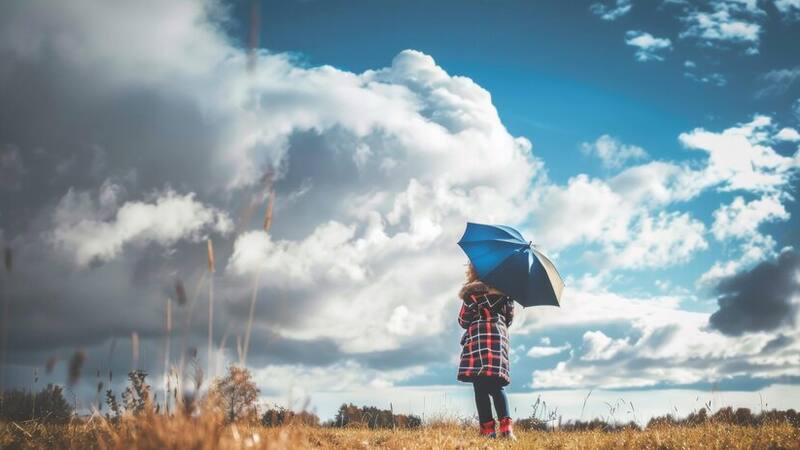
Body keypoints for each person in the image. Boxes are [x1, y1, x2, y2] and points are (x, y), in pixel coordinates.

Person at [457, 263, 516, 440]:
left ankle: (488, 430)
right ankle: (506, 429)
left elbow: (463, 320)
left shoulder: (471, 294)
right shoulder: (507, 295)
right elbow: (509, 319)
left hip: (478, 341)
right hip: (498, 339)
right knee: (496, 385)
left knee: (479, 387)